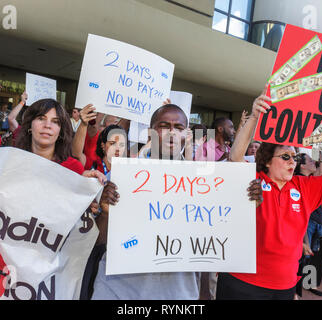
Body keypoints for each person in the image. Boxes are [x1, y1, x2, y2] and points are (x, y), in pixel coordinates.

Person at [90, 103, 264, 300]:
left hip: (178, 293)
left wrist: (246, 202)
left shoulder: (204, 180)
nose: (172, 132)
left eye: (179, 128)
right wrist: (105, 212)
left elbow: (210, 238)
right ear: (150, 133)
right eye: (164, 126)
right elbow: (97, 240)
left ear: (187, 135)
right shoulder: (123, 174)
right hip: (118, 290)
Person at [217, 84, 322, 300]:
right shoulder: (253, 180)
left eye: (295, 157)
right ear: (267, 161)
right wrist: (254, 117)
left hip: (284, 286)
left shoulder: (303, 186)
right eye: (285, 157)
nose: (292, 162)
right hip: (242, 282)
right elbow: (236, 157)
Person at [294, 152, 322, 298]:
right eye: (310, 160)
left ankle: (309, 284)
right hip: (307, 223)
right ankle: (295, 292)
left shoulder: (310, 179)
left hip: (317, 223)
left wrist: (320, 152)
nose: (314, 162)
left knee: (315, 256)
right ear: (302, 165)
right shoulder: (299, 181)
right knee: (301, 258)